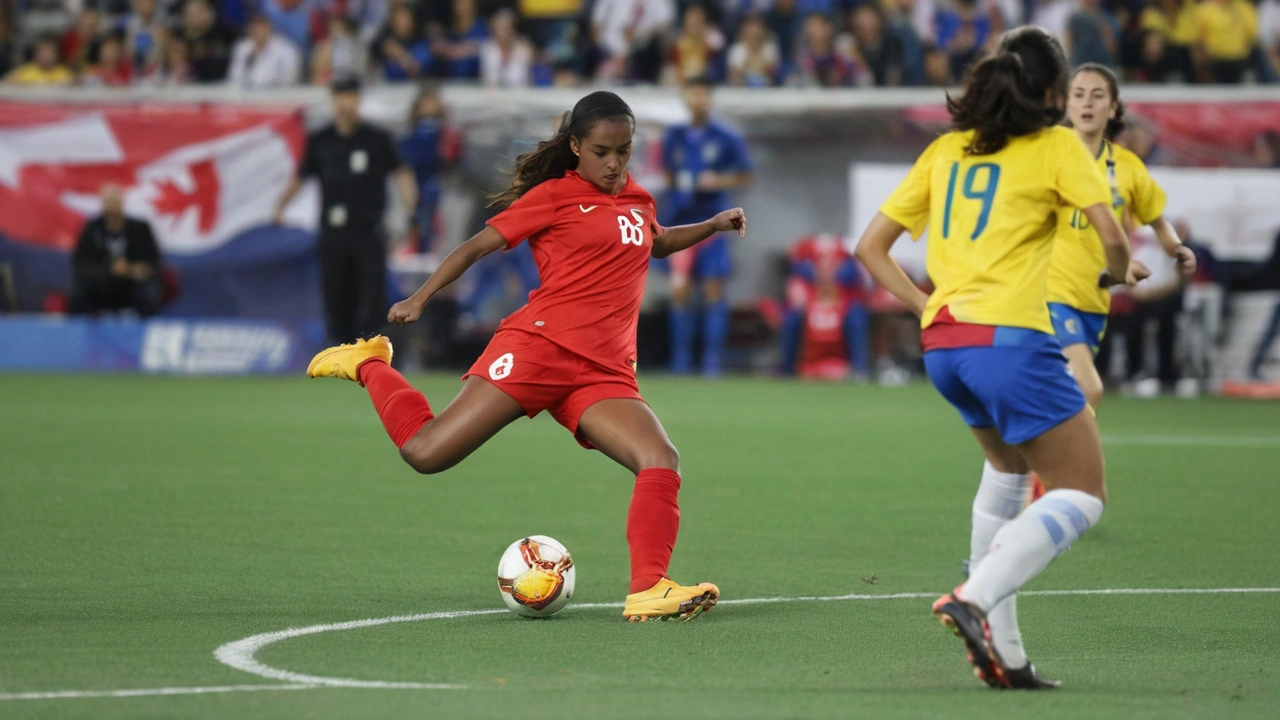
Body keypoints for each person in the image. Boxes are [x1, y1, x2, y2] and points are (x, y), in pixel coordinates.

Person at [304, 91, 745, 622]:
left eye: (624, 151)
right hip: (538, 350)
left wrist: (713, 225)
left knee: (660, 459)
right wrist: (420, 297)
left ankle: (649, 588)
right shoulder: (553, 196)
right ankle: (369, 363)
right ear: (576, 146)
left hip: (602, 371)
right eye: (603, 151)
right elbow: (475, 247)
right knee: (425, 454)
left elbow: (658, 242)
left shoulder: (638, 200)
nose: (613, 163)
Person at [853, 27, 1145, 689]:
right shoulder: (1056, 146)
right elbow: (1111, 235)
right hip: (1011, 344)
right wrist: (1116, 274)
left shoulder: (946, 148)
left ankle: (1006, 658)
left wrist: (925, 305)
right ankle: (974, 595)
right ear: (1050, 93)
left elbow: (869, 248)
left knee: (1009, 473)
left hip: (945, 348)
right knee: (1084, 493)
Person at [1050, 63, 1196, 411]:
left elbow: (1158, 221)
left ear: (1113, 107)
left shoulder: (1128, 167)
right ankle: (1059, 466)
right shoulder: (1047, 155)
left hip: (1094, 298)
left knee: (1061, 399)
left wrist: (1176, 248)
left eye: (1097, 96)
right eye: (1079, 95)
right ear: (1067, 105)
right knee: (1089, 390)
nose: (1087, 103)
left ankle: (1023, 464)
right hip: (1049, 292)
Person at [273, 76, 418, 345]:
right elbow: (301, 176)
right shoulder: (321, 140)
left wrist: (411, 211)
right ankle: (338, 350)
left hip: (368, 230)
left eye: (350, 96)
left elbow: (402, 174)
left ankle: (377, 352)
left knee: (373, 294)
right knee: (336, 294)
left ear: (358, 100)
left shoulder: (377, 139)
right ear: (332, 100)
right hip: (333, 232)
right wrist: (280, 207)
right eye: (340, 96)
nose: (345, 103)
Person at [659, 76, 754, 375]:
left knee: (714, 290)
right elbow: (666, 173)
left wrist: (717, 181)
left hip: (714, 224)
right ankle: (681, 363)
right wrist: (681, 183)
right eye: (693, 94)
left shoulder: (726, 136)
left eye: (703, 94)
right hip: (680, 224)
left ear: (710, 99)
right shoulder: (673, 135)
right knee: (680, 292)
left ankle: (711, 363)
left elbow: (745, 174)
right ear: (686, 98)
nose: (698, 99)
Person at [70, 185, 164, 317]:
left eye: (115, 201)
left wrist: (132, 269)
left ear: (122, 201)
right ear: (102, 203)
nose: (112, 205)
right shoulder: (92, 230)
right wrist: (110, 269)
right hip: (102, 286)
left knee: (149, 290)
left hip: (132, 285)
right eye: (108, 201)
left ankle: (145, 329)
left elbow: (154, 261)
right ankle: (81, 331)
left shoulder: (140, 229)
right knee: (79, 291)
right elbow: (81, 264)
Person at [228, 12, 301, 88]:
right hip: (246, 96)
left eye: (262, 26)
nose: (258, 30)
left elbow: (291, 80)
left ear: (270, 27)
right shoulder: (242, 48)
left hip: (277, 95)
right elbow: (234, 77)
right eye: (255, 26)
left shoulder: (287, 50)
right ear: (249, 29)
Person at [4, 34, 73, 85]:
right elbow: (4, 84)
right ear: (36, 53)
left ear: (57, 54)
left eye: (49, 51)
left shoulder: (65, 74)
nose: (45, 55)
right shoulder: (23, 72)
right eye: (42, 50)